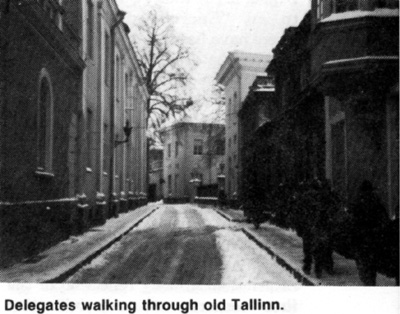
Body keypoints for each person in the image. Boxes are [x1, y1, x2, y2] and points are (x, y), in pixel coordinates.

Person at [351, 180, 390, 286]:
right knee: (371, 265)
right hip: (374, 238)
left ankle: (368, 283)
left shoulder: (358, 202)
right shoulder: (376, 202)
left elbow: (353, 222)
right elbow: (384, 218)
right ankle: (371, 283)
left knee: (364, 266)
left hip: (362, 239)